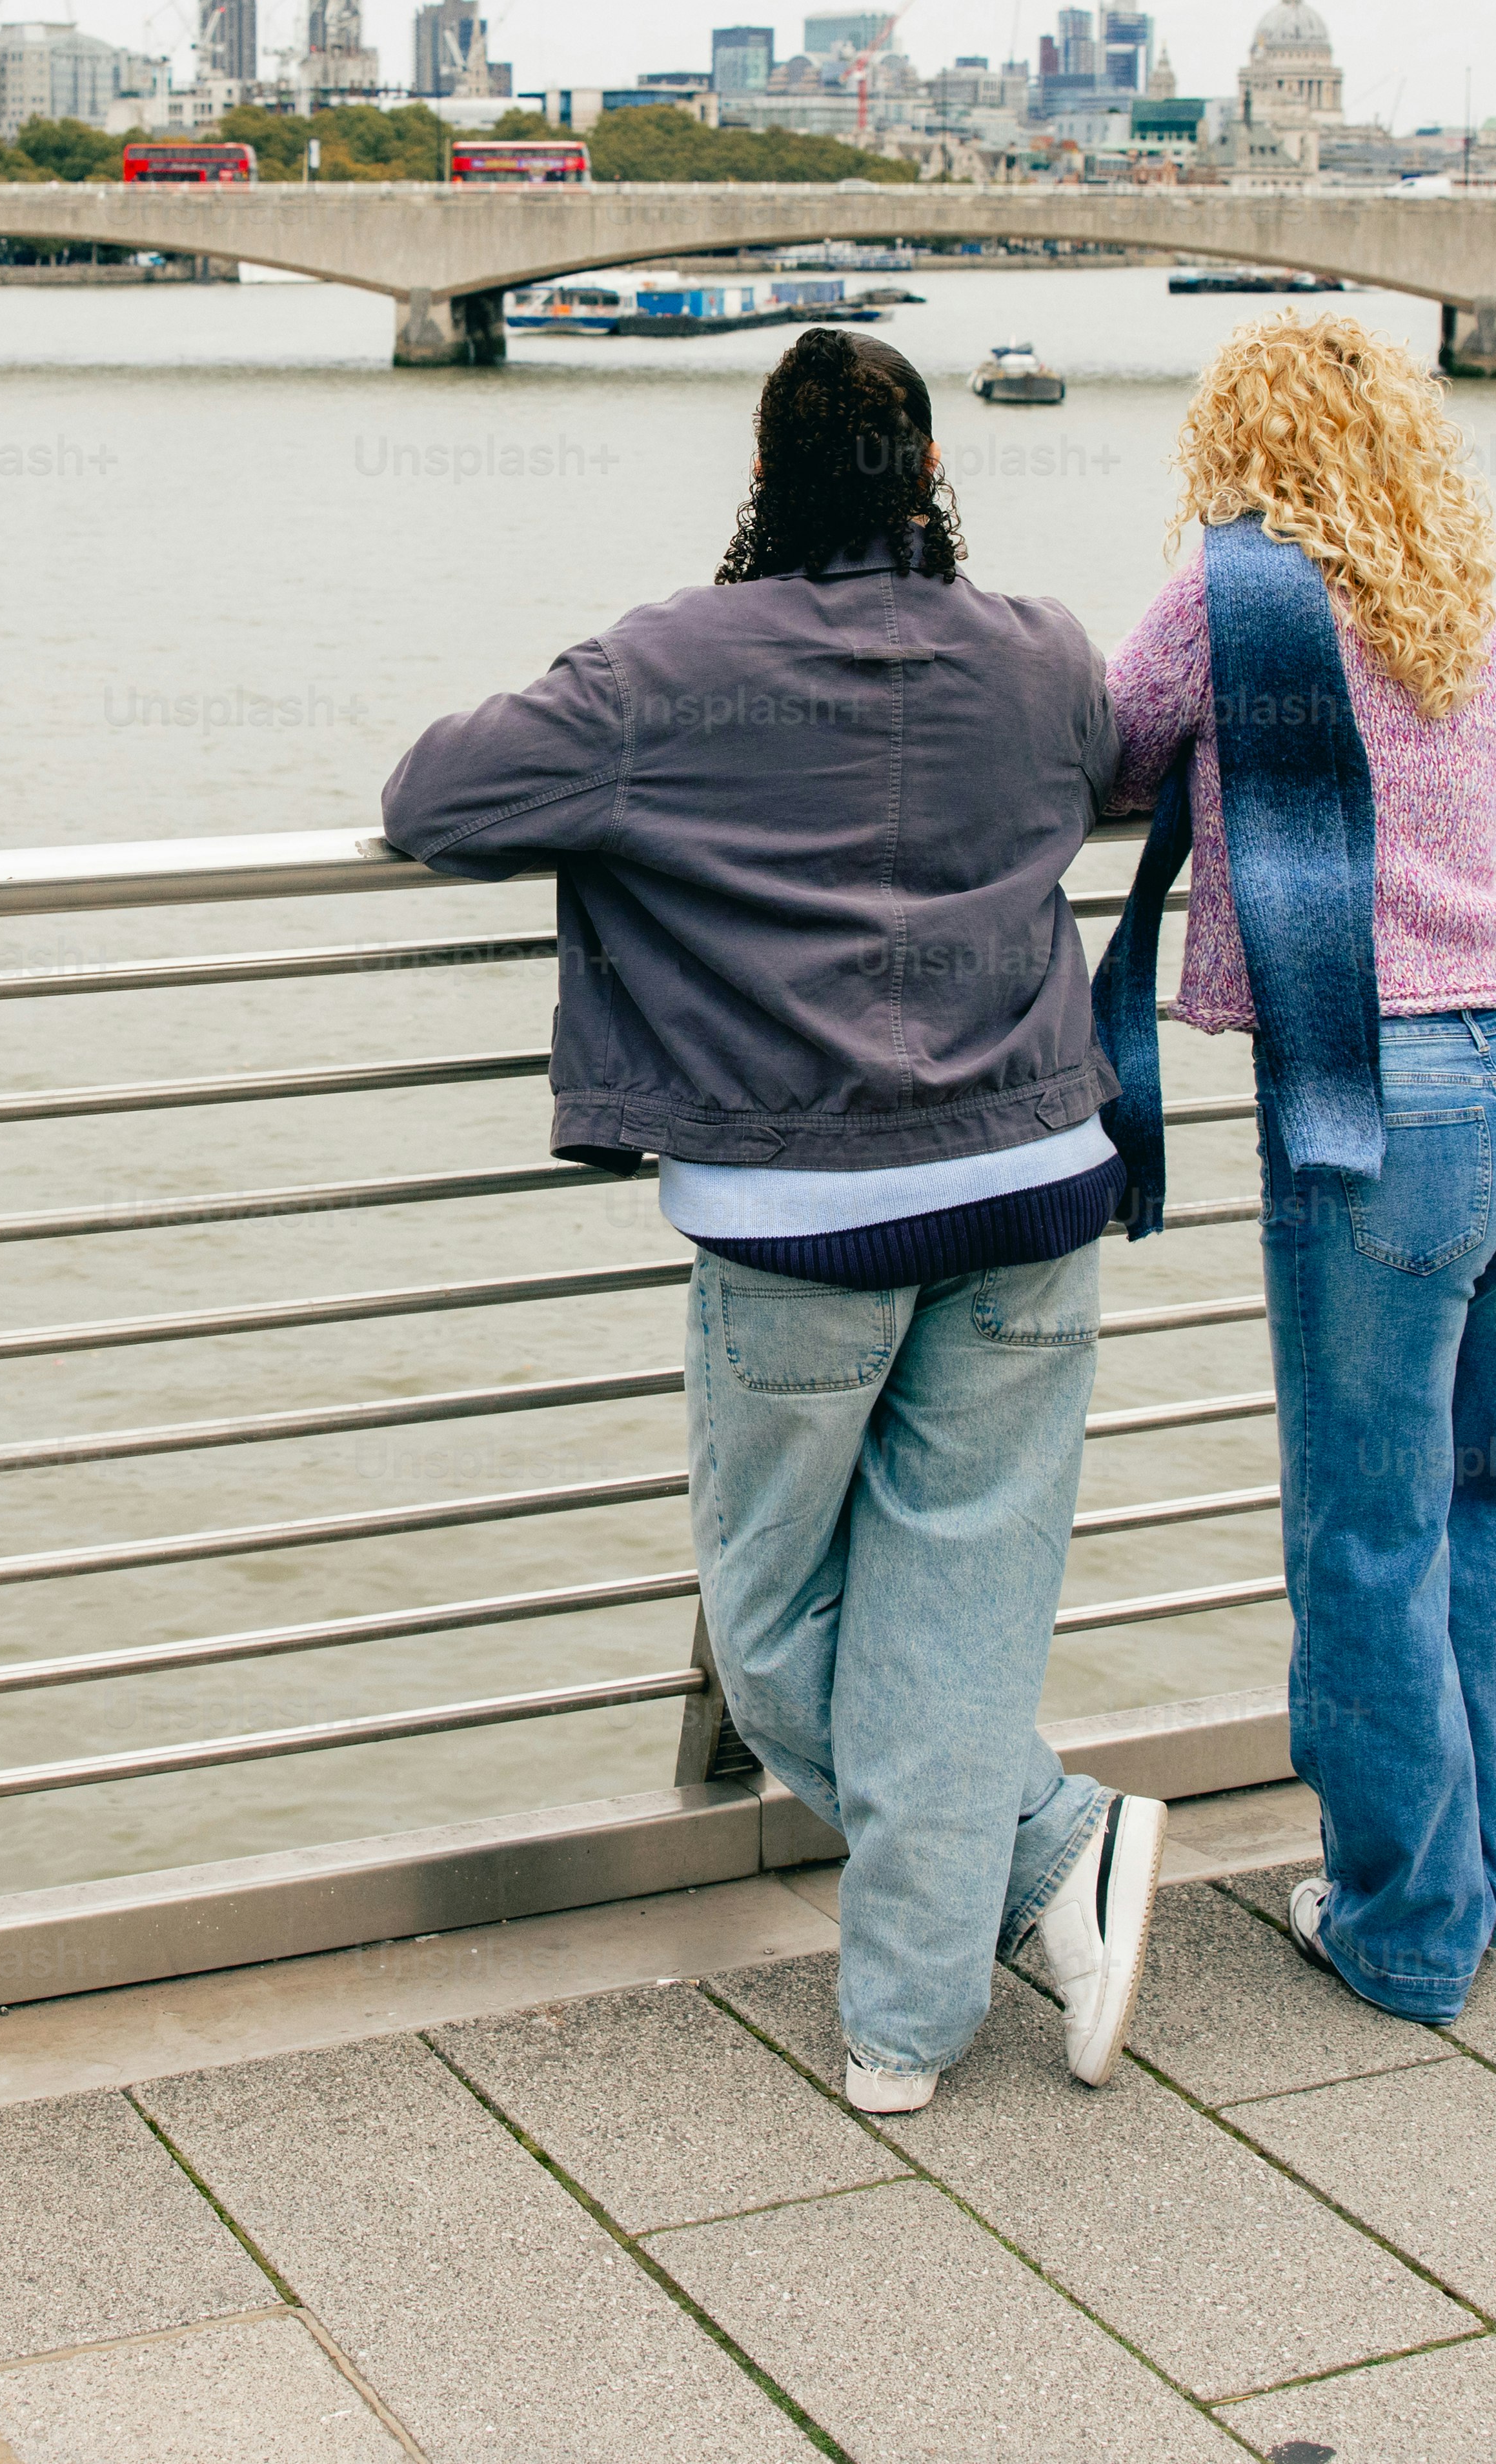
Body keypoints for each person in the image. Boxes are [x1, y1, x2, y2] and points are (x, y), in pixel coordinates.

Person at [383, 328, 1167, 2116]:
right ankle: (1032, 1870)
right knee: (955, 1614)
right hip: (1032, 1183)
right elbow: (1110, 773)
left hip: (796, 1216)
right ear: (928, 479)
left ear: (762, 476)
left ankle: (948, 1973)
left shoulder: (666, 667)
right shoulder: (1037, 650)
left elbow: (433, 801)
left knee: (764, 1627)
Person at [1093, 306, 1496, 2026]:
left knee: (1359, 1540)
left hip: (1371, 1108)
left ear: (1243, 445)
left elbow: (1104, 741)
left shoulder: (1239, 592)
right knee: (1463, 1506)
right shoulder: (1460, 596)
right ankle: (1472, 1880)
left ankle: (1401, 1928)